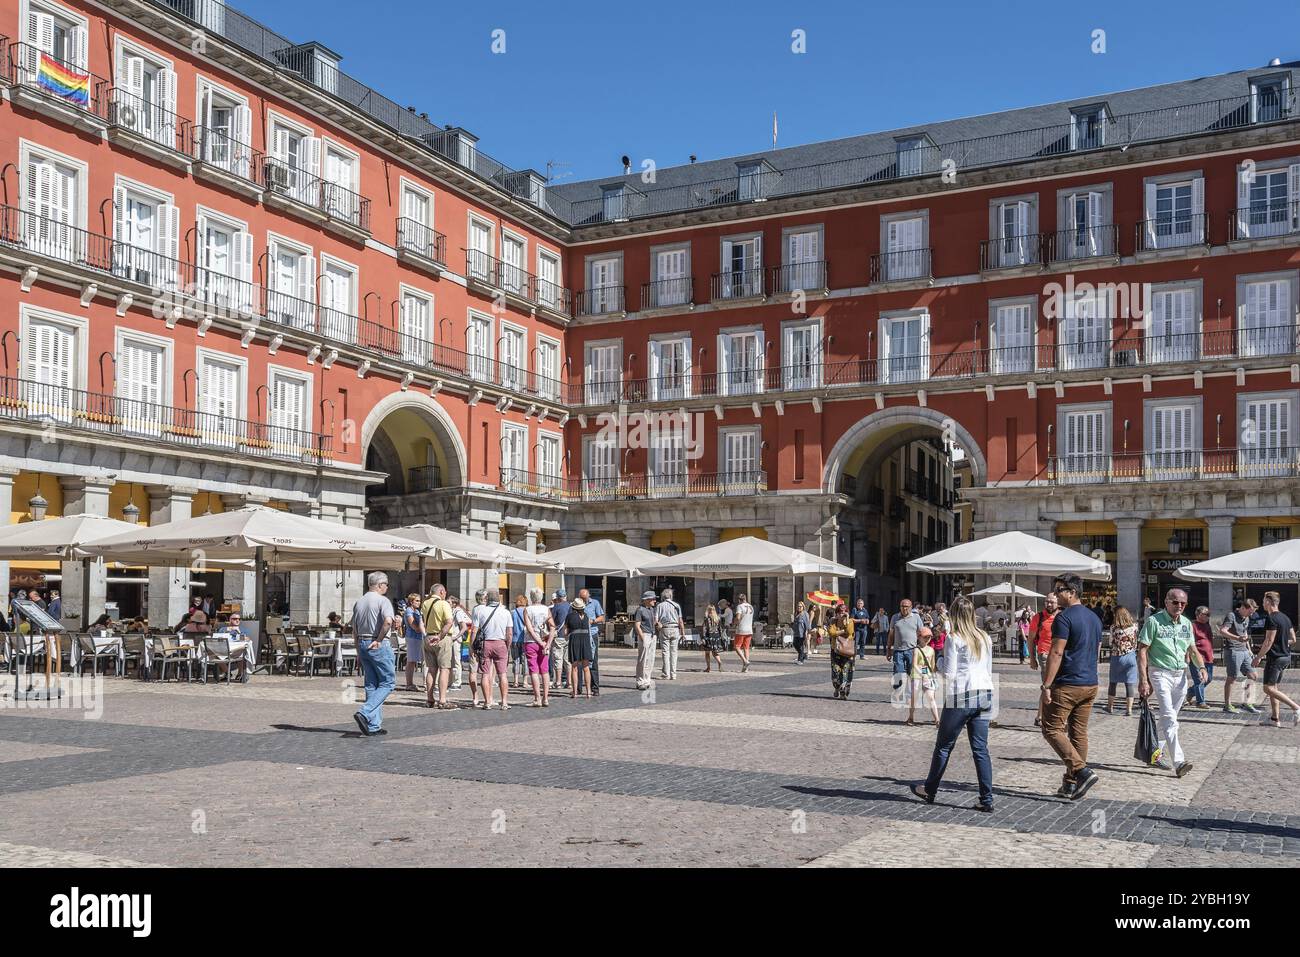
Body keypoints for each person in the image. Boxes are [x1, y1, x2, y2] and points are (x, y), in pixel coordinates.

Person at [912, 596, 995, 812]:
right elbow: (988, 668)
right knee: (980, 749)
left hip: (962, 695)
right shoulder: (985, 637)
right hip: (985, 693)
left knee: (944, 746)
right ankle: (987, 799)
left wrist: (938, 661)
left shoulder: (954, 638)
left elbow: (948, 673)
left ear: (955, 616)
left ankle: (930, 789)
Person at [1040, 575, 1102, 799]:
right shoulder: (1094, 618)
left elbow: (1056, 652)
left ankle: (1081, 771)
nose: (1055, 595)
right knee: (1078, 734)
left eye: (1059, 590)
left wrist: (1047, 684)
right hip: (1090, 682)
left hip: (1067, 683)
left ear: (1072, 592)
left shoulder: (1063, 618)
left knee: (1052, 729)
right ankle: (1070, 783)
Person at [1137, 587, 1205, 778]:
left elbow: (1192, 649)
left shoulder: (1186, 624)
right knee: (1169, 717)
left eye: (1183, 603)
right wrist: (1144, 679)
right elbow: (1142, 650)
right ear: (1166, 602)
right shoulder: (1154, 621)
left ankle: (1153, 754)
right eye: (1175, 602)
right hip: (1160, 673)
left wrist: (1201, 667)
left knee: (1169, 718)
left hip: (1180, 675)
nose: (1179, 606)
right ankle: (1179, 761)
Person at [353, 572, 397, 737]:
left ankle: (373, 725)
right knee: (387, 682)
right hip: (377, 643)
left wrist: (358, 650)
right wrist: (379, 639)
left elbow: (355, 630)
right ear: (380, 585)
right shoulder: (382, 600)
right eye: (386, 584)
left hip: (363, 643)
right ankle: (365, 712)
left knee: (371, 684)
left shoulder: (359, 602)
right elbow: (387, 621)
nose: (387, 587)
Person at [1254, 591, 1300, 728]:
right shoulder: (1285, 618)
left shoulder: (1271, 618)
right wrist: (1282, 642)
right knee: (1273, 687)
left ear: (1268, 602)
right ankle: (1275, 719)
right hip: (1286, 657)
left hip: (1276, 658)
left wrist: (1258, 657)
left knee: (1267, 688)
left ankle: (1296, 708)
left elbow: (1268, 641)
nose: (1262, 603)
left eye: (1263, 601)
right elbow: (1293, 639)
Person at [1219, 597, 1261, 714]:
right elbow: (1223, 631)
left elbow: (1245, 632)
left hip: (1244, 650)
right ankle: (1227, 705)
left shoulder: (1246, 618)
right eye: (1250, 612)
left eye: (1252, 613)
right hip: (1233, 650)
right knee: (1232, 678)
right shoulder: (1231, 616)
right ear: (1243, 608)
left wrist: (1249, 649)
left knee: (1253, 675)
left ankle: (1247, 702)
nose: (1251, 615)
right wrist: (1237, 638)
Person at [472, 588, 512, 711]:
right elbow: (509, 633)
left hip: (485, 644)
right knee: (502, 674)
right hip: (501, 643)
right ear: (499, 599)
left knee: (485, 674)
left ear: (487, 599)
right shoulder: (506, 612)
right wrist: (508, 646)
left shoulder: (481, 611)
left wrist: (472, 646)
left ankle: (487, 702)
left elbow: (474, 630)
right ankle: (504, 702)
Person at [421, 585, 456, 710]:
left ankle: (430, 699)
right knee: (444, 669)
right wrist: (440, 636)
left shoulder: (425, 603)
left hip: (428, 637)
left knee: (431, 669)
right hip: (441, 638)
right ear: (441, 592)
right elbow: (449, 622)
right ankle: (442, 700)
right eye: (444, 592)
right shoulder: (443, 604)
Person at [1026, 593, 1059, 727]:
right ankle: (1047, 718)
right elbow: (1031, 639)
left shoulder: (1062, 616)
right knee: (1048, 686)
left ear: (1058, 603)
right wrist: (1032, 658)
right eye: (1047, 602)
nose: (1049, 604)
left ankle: (1040, 717)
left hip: (1059, 655)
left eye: (1052, 602)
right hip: (1044, 654)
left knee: (1051, 687)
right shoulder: (1038, 617)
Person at [523, 587, 554, 707]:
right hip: (544, 642)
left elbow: (530, 629)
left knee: (534, 671)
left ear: (531, 597)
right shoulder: (546, 609)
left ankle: (537, 699)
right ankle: (546, 698)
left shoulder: (527, 610)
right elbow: (552, 627)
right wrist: (547, 644)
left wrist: (539, 642)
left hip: (531, 642)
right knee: (544, 671)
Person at [1106, 606, 1139, 715]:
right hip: (1131, 656)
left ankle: (1110, 706)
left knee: (1113, 682)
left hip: (1117, 656)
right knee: (1129, 684)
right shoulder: (1134, 626)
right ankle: (1128, 709)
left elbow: (1111, 643)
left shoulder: (1114, 628)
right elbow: (1136, 641)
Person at [886, 598, 923, 696]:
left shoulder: (916, 618)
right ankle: (898, 691)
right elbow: (891, 634)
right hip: (898, 650)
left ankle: (910, 693)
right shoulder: (895, 617)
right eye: (902, 606)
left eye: (906, 606)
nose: (904, 608)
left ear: (911, 607)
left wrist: (923, 649)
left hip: (912, 650)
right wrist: (888, 649)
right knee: (898, 672)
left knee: (912, 673)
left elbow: (921, 633)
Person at [562, 597, 593, 699]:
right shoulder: (587, 616)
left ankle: (575, 692)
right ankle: (588, 692)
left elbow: (565, 632)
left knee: (574, 667)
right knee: (586, 668)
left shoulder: (570, 616)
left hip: (574, 640)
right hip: (585, 641)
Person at [908, 628, 940, 725]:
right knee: (914, 698)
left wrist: (933, 676)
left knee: (931, 698)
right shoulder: (916, 650)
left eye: (929, 637)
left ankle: (937, 720)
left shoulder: (931, 650)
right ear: (919, 637)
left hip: (928, 677)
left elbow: (933, 665)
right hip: (917, 676)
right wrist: (922, 674)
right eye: (925, 637)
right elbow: (914, 665)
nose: (927, 639)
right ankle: (911, 717)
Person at [1187, 605, 1216, 710]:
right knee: (1199, 680)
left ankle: (1189, 692)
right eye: (1206, 614)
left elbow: (1210, 640)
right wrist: (1188, 656)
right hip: (1197, 657)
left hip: (1208, 656)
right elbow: (1189, 643)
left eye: (1209, 614)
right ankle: (1200, 702)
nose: (1208, 616)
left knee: (1208, 679)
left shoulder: (1207, 626)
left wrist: (1211, 652)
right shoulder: (1193, 626)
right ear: (1198, 614)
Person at [578, 587, 604, 695]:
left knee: (593, 661)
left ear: (588, 596)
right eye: (581, 598)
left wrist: (592, 621)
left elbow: (602, 617)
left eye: (584, 598)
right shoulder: (576, 604)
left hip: (592, 634)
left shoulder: (595, 603)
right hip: (580, 634)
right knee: (578, 662)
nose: (583, 601)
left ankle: (595, 688)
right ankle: (578, 688)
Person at [827, 603, 855, 699]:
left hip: (847, 651)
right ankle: (837, 687)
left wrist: (846, 620)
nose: (842, 613)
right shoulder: (833, 621)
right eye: (840, 612)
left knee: (846, 670)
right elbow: (831, 633)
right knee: (836, 671)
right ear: (837, 613)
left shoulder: (850, 621)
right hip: (836, 650)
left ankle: (844, 691)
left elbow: (849, 631)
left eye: (844, 611)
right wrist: (842, 632)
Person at [656, 586, 683, 680]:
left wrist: (658, 626)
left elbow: (656, 620)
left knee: (665, 652)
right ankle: (673, 674)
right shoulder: (676, 605)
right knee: (674, 652)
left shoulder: (659, 606)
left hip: (665, 629)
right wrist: (682, 632)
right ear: (671, 596)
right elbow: (680, 620)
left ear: (663, 596)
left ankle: (666, 674)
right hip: (675, 629)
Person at [632, 590, 657, 691]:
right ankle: (640, 681)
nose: (655, 601)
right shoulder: (640, 610)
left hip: (652, 635)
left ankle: (647, 680)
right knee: (642, 659)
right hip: (645, 635)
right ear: (647, 600)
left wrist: (657, 624)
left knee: (650, 659)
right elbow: (637, 625)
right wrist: (642, 638)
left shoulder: (652, 609)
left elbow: (653, 622)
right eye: (653, 599)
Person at [402, 592, 425, 692]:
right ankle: (409, 683)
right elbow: (413, 625)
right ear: (411, 601)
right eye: (417, 600)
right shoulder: (409, 611)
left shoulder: (417, 611)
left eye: (419, 601)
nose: (419, 603)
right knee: (411, 661)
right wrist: (422, 629)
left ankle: (410, 683)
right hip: (412, 637)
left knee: (413, 661)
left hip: (417, 637)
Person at [550, 589, 572, 690]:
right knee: (568, 660)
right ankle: (569, 682)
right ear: (565, 596)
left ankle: (558, 682)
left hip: (559, 635)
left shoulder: (556, 607)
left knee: (558, 659)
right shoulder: (571, 607)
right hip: (569, 635)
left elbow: (552, 621)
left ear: (558, 597)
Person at [449, 596, 470, 694]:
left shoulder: (458, 612)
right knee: (451, 661)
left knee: (456, 661)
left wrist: (456, 636)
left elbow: (464, 627)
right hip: (452, 639)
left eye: (449, 602)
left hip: (455, 640)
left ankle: (457, 682)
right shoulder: (452, 611)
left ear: (454, 603)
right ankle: (452, 681)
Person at [732, 593, 754, 672]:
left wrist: (734, 623)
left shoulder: (740, 606)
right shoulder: (751, 606)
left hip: (741, 629)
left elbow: (738, 617)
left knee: (737, 647)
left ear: (739, 600)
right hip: (749, 629)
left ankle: (745, 661)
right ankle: (746, 668)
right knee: (746, 648)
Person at [510, 594, 528, 690]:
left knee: (515, 660)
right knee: (525, 660)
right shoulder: (527, 611)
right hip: (525, 639)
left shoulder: (512, 612)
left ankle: (515, 681)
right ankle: (525, 681)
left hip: (514, 639)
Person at [701, 603, 726, 671]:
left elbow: (704, 628)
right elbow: (720, 628)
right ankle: (719, 662)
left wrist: (703, 637)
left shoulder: (707, 618)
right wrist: (721, 637)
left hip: (708, 636)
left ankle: (708, 667)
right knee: (715, 652)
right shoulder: (717, 618)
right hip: (716, 636)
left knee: (707, 653)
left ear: (708, 610)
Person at [791, 600, 810, 664]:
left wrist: (807, 632)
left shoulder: (805, 614)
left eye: (800, 606)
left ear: (803, 607)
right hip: (796, 632)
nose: (799, 608)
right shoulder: (796, 614)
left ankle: (800, 660)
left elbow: (807, 624)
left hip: (802, 632)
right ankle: (803, 655)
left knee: (801, 645)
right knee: (795, 644)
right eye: (798, 606)